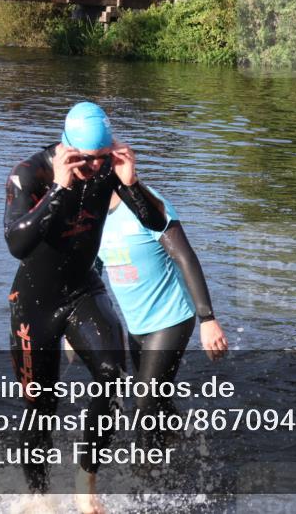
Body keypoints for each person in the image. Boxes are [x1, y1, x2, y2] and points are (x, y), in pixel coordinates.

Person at [4, 102, 167, 508]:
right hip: (35, 303)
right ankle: (40, 498)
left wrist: (132, 183)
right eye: (87, 160)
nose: (96, 168)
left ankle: (85, 478)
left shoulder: (110, 169)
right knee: (41, 406)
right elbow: (16, 243)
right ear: (67, 149)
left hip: (81, 290)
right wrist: (59, 188)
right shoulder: (30, 174)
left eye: (102, 158)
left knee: (113, 372)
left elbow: (157, 221)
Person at [96, 185, 228, 449]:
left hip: (172, 316)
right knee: (158, 397)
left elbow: (185, 256)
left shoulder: (147, 205)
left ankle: (146, 476)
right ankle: (183, 440)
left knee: (145, 401)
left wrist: (208, 320)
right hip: (136, 323)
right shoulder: (91, 214)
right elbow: (92, 269)